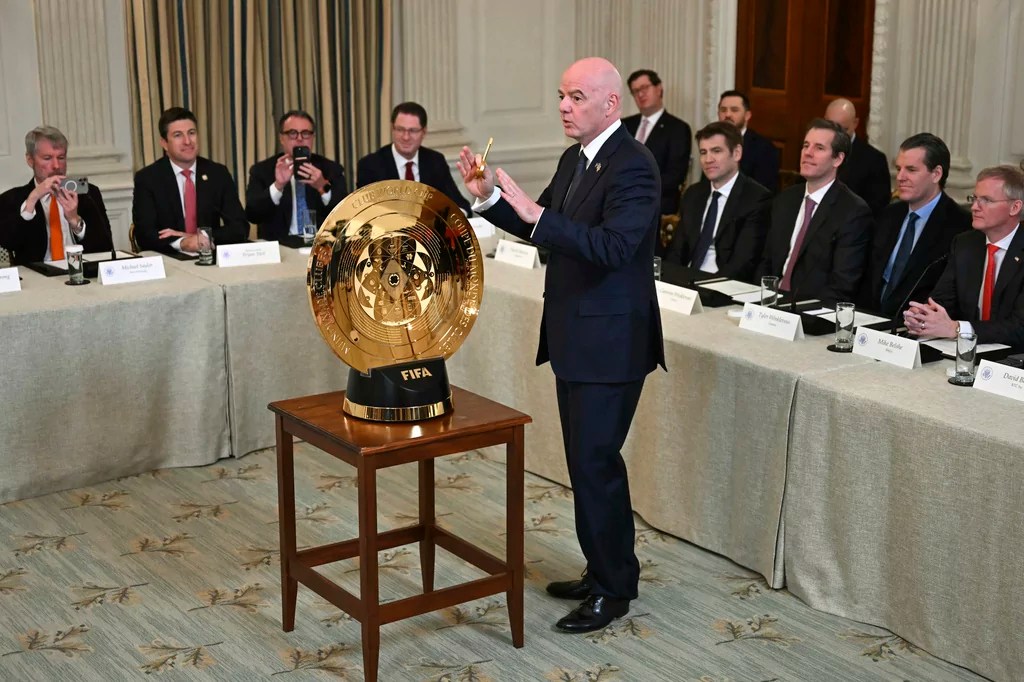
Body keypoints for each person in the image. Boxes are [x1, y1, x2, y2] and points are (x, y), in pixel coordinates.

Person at [456, 57, 665, 634]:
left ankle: (614, 589)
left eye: (576, 97)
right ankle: (604, 569)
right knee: (584, 463)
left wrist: (532, 209)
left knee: (596, 465)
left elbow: (613, 247)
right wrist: (490, 198)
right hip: (577, 335)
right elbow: (537, 224)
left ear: (610, 104)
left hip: (613, 342)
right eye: (561, 96)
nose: (564, 107)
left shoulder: (635, 166)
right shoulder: (576, 158)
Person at [904, 165, 1024, 349]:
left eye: (987, 200)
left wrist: (957, 329)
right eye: (974, 198)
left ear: (1015, 207)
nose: (974, 207)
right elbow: (942, 301)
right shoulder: (965, 244)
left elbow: (1019, 327)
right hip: (966, 352)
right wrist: (923, 316)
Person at [758, 118, 872, 306]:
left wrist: (794, 311)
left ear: (838, 159)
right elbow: (766, 262)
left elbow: (842, 285)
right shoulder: (786, 199)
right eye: (805, 146)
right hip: (771, 305)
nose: (807, 154)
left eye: (819, 148)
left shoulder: (853, 212)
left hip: (812, 311)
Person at [862, 133, 970, 317]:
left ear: (936, 174)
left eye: (911, 170)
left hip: (918, 330)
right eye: (898, 168)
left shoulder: (960, 226)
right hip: (870, 322)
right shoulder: (888, 215)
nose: (900, 177)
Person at [664, 121, 770, 282]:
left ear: (737, 153)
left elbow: (742, 263)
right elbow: (677, 252)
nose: (708, 159)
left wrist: (704, 289)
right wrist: (670, 284)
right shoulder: (693, 194)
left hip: (724, 288)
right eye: (703, 152)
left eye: (716, 151)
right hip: (686, 284)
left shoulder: (756, 198)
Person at [132, 107, 248, 254]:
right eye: (178, 135)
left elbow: (240, 227)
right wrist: (183, 243)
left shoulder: (217, 173)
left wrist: (202, 237)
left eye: (191, 133)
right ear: (164, 143)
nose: (188, 141)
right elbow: (145, 235)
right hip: (170, 261)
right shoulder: (148, 178)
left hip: (210, 259)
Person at [0, 126, 112, 264]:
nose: (56, 165)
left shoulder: (88, 193)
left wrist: (75, 221)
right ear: (30, 160)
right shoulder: (13, 198)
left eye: (61, 157)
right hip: (37, 277)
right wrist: (33, 198)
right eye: (47, 158)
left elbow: (106, 247)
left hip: (80, 274)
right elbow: (9, 242)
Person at [245, 110, 347, 241]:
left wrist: (322, 187)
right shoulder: (262, 170)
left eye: (305, 133)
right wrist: (278, 186)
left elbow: (345, 217)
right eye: (292, 133)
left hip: (321, 246)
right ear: (281, 138)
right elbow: (253, 216)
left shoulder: (331, 169)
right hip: (280, 247)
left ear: (313, 137)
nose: (299, 139)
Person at [357, 102, 471, 214]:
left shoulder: (435, 161)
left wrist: (452, 220)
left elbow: (459, 204)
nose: (406, 137)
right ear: (392, 129)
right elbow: (364, 213)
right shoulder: (370, 165)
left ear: (424, 132)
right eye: (400, 129)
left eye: (413, 131)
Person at [621, 69, 691, 215]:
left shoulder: (678, 128)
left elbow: (675, 175)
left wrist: (638, 189)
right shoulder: (624, 125)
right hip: (620, 202)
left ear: (659, 89)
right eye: (635, 91)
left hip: (656, 204)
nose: (640, 94)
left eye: (644, 88)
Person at [824, 98, 891, 216]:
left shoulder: (874, 160)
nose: (836, 134)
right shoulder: (813, 151)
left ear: (855, 123)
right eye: (831, 127)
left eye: (843, 129)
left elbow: (876, 209)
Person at [717, 90, 779, 192]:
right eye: (723, 110)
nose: (727, 114)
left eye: (734, 110)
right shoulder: (712, 143)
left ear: (747, 115)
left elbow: (763, 192)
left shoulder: (764, 148)